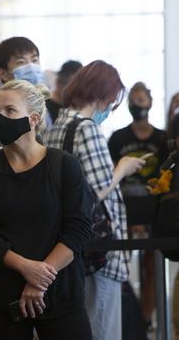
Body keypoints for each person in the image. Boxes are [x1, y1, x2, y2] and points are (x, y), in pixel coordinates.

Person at [0, 79, 93, 340]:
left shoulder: (64, 165)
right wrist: (25, 267)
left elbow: (78, 229)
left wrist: (39, 278)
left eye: (10, 110)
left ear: (33, 118)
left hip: (58, 291)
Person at [44, 60, 146, 340]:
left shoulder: (54, 128)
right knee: (102, 328)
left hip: (71, 248)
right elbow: (97, 191)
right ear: (103, 96)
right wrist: (122, 168)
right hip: (100, 252)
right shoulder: (87, 128)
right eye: (112, 100)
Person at [108, 81, 168, 330]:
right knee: (121, 265)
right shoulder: (118, 138)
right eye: (133, 100)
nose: (137, 104)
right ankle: (127, 316)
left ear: (150, 102)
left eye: (141, 99)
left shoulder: (162, 139)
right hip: (124, 209)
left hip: (155, 210)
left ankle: (145, 318)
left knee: (152, 266)